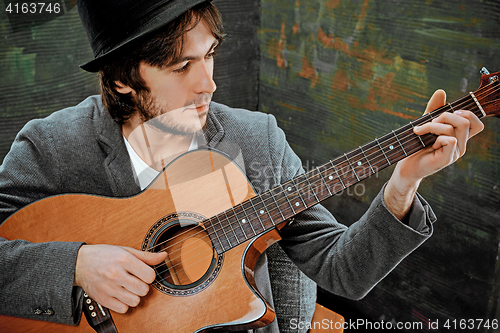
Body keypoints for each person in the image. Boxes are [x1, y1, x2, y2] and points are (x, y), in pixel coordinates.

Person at [0, 0, 484, 332]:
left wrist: (403, 183)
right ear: (125, 78)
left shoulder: (256, 140)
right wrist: (78, 265)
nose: (207, 84)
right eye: (181, 67)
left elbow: (343, 272)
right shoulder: (52, 145)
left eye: (209, 56)